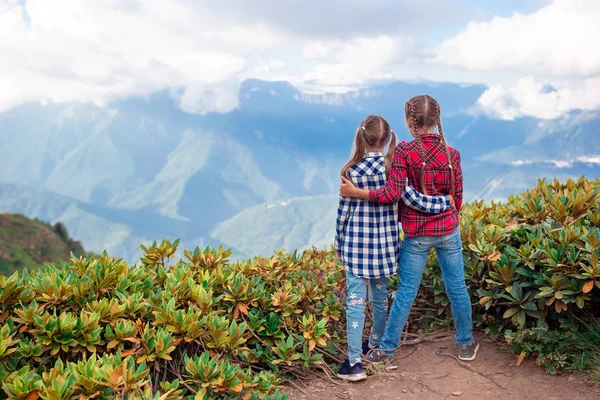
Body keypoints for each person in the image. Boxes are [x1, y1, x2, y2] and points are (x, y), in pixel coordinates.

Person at [339, 96, 478, 370]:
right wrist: (444, 209)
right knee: (457, 288)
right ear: (438, 121)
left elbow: (393, 193)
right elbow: (457, 200)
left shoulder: (404, 152)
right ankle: (466, 343)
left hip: (416, 234)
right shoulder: (453, 155)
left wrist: (357, 192)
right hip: (449, 231)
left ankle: (387, 350)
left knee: (405, 293)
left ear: (408, 122)